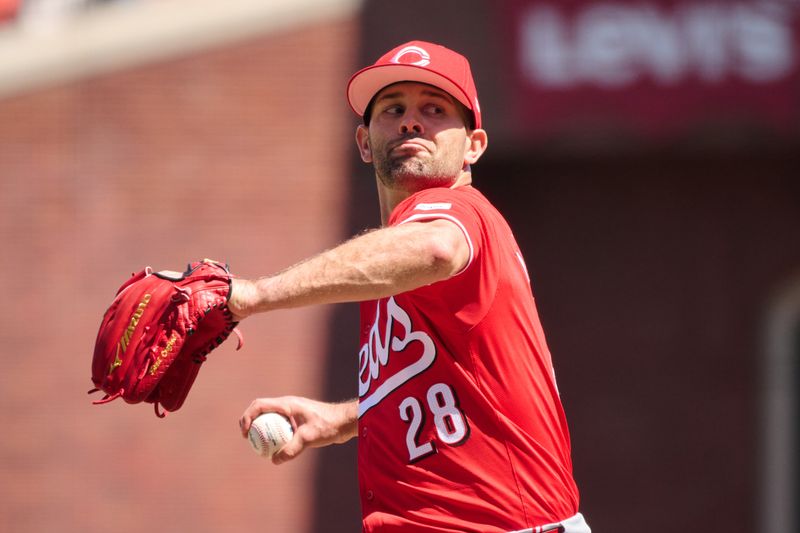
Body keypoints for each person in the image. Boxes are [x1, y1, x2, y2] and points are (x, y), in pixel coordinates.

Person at [229, 40, 591, 533]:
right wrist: (347, 420)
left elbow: (437, 247)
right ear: (363, 143)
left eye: (434, 108)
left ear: (473, 146)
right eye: (393, 108)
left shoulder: (459, 212)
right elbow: (459, 385)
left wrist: (251, 296)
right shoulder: (388, 264)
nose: (410, 121)